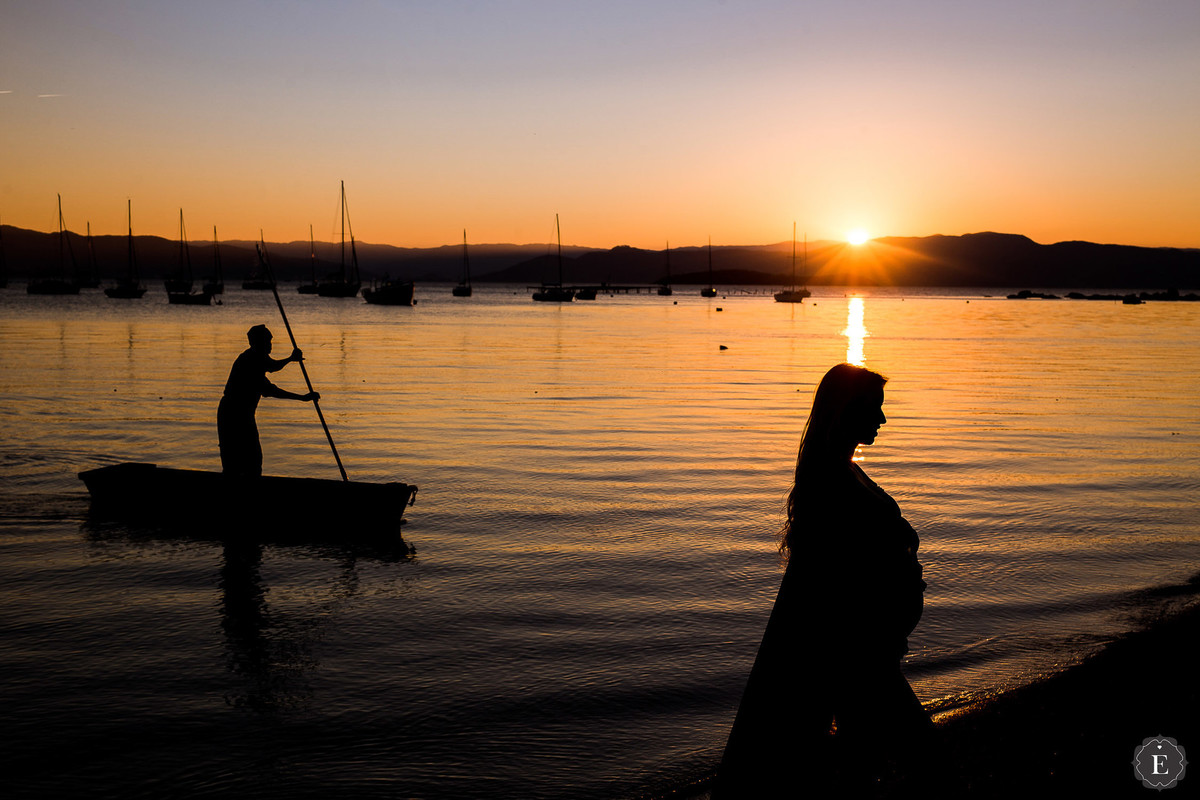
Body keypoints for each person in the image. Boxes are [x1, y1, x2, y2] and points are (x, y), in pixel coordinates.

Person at [712, 363, 931, 797]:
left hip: (868, 650)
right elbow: (832, 580)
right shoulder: (830, 481)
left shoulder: (844, 471)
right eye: (876, 409)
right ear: (847, 410)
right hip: (856, 653)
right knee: (920, 757)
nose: (883, 420)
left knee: (862, 766)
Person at [217, 324, 318, 477]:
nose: (270, 345)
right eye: (268, 342)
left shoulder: (255, 362)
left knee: (252, 460)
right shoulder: (250, 360)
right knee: (238, 460)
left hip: (242, 414)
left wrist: (303, 397)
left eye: (270, 341)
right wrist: (291, 359)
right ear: (258, 343)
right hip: (233, 414)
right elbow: (272, 373)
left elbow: (270, 384)